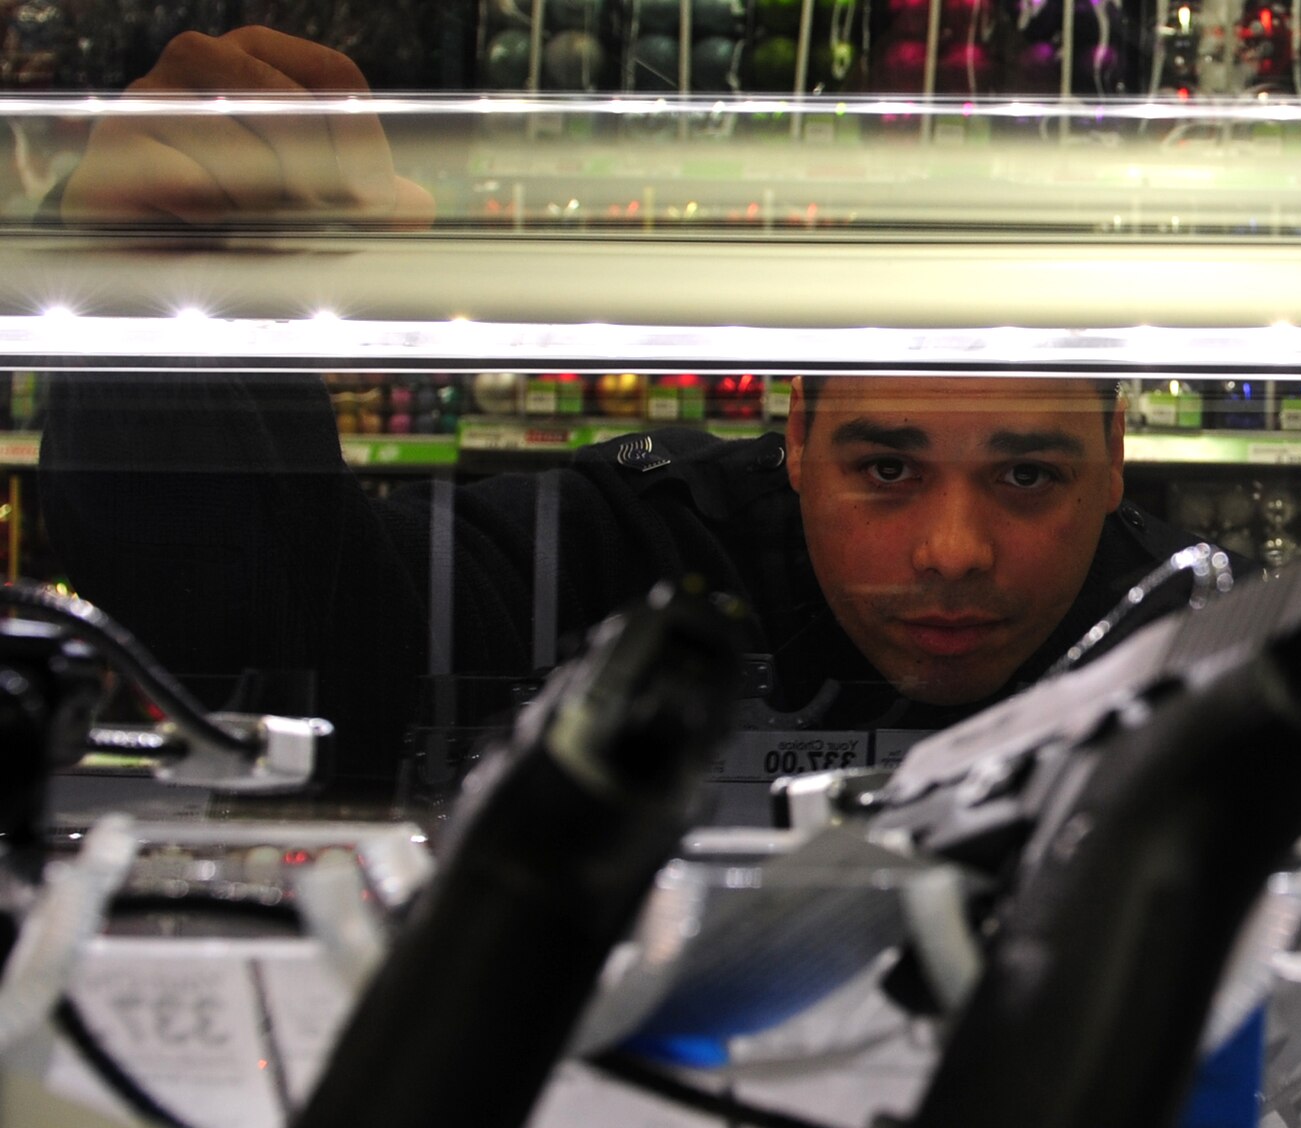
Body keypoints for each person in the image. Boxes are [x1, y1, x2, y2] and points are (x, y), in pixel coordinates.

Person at [38, 28, 1197, 788]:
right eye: (886, 468)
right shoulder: (625, 550)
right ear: (792, 438)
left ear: (1111, 459)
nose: (953, 552)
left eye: (1026, 475)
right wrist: (160, 308)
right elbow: (282, 633)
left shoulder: (1195, 649)